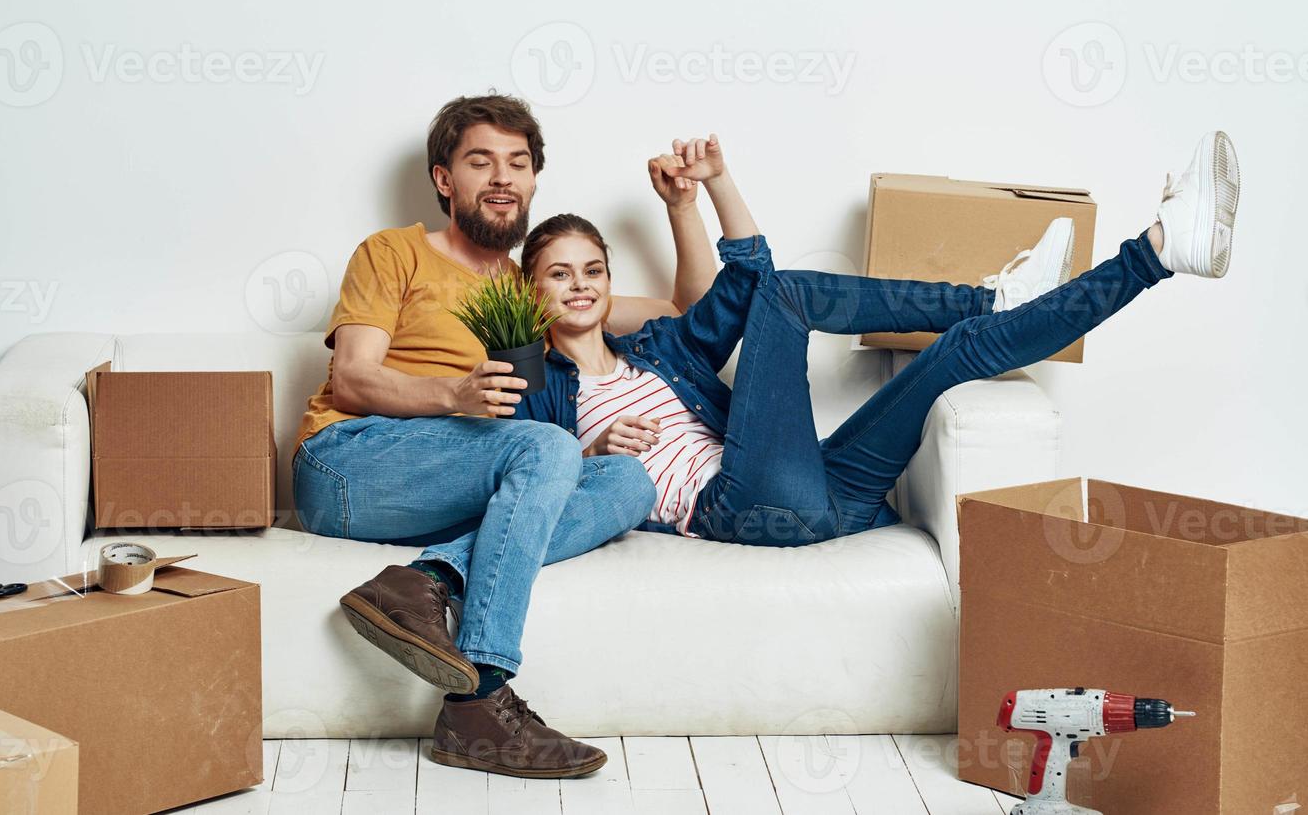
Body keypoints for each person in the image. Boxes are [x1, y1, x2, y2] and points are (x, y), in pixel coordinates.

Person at [510, 131, 1241, 545]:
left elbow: (749, 275)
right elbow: (512, 485)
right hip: (737, 504)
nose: (579, 285)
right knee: (792, 295)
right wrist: (586, 454)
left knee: (955, 353)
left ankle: (1157, 252)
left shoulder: (663, 352)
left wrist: (717, 182)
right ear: (529, 293)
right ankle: (992, 293)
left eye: (593, 270)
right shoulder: (536, 392)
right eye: (558, 275)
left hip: (829, 493)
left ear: (608, 284)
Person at [292, 94, 717, 778]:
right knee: (545, 442)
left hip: (449, 484)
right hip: (345, 466)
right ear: (443, 179)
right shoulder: (393, 252)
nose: (501, 177)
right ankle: (482, 697)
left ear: (532, 181)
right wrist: (451, 395)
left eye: (517, 163)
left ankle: (422, 579)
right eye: (480, 161)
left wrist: (681, 207)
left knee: (628, 481)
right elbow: (351, 379)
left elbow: (688, 313)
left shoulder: (533, 290)